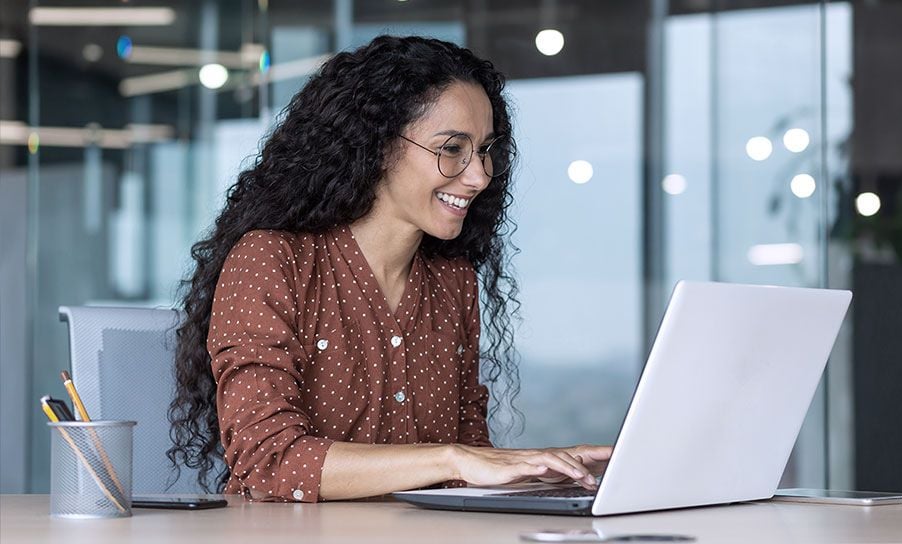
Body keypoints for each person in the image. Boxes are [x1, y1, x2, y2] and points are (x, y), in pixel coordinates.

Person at [168, 35, 612, 502]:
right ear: (378, 145)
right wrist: (451, 458)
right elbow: (270, 462)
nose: (479, 174)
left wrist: (543, 471)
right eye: (453, 148)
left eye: (484, 150)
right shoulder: (272, 260)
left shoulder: (453, 281)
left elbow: (466, 467)